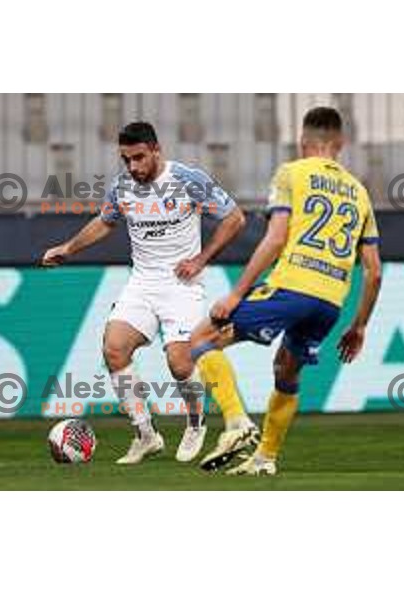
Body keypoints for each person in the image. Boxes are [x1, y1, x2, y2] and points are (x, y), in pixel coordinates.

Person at [42, 121, 257, 465]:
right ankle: (146, 435)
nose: (133, 167)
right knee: (114, 349)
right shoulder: (123, 187)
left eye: (139, 158)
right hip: (142, 283)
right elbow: (105, 222)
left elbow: (235, 219)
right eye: (126, 160)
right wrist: (69, 248)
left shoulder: (188, 180)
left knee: (180, 361)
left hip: (181, 286)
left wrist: (200, 259)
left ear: (157, 150)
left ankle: (195, 422)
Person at [190, 107, 382, 475]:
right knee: (287, 372)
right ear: (340, 143)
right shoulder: (360, 192)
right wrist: (359, 326)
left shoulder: (291, 173)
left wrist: (236, 294)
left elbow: (276, 238)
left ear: (302, 141)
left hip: (291, 288)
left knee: (200, 340)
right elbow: (373, 273)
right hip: (330, 304)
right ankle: (265, 458)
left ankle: (236, 423)